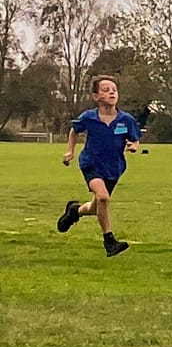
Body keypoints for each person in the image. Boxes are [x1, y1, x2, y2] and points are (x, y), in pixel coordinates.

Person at [57, 73, 140, 256]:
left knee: (97, 206)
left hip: (114, 168)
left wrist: (133, 146)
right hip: (91, 163)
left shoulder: (126, 120)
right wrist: (70, 151)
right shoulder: (89, 117)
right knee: (103, 197)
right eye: (106, 90)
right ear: (96, 96)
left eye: (114, 90)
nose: (112, 93)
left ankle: (75, 211)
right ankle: (109, 241)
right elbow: (74, 130)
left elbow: (134, 139)